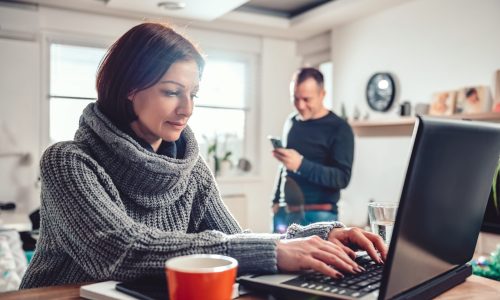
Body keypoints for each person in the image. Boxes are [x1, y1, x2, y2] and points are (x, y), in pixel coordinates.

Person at [20, 23, 385, 289]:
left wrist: (321, 235)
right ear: (129, 88)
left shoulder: (190, 169)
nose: (187, 108)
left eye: (194, 93)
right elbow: (121, 252)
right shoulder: (68, 162)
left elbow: (234, 238)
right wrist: (276, 250)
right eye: (172, 92)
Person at [271, 68, 354, 232]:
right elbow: (285, 166)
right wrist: (274, 201)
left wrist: (301, 165)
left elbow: (342, 178)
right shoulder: (291, 122)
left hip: (319, 215)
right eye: (295, 98)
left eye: (307, 99)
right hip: (283, 211)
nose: (300, 105)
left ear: (322, 94)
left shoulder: (340, 128)